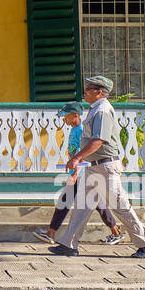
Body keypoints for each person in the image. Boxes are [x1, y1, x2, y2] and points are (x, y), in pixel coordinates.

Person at [49, 75, 145, 259]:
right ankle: (69, 244)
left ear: (99, 92)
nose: (85, 92)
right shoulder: (95, 110)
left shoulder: (102, 110)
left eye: (89, 89)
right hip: (94, 166)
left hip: (105, 167)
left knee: (120, 205)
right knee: (82, 206)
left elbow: (98, 140)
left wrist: (76, 158)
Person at [32, 100, 123, 246]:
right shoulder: (74, 130)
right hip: (80, 173)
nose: (64, 119)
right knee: (97, 203)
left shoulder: (81, 131)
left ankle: (51, 233)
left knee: (65, 201)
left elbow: (84, 155)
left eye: (66, 116)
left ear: (75, 116)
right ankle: (116, 232)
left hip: (82, 173)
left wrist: (75, 174)